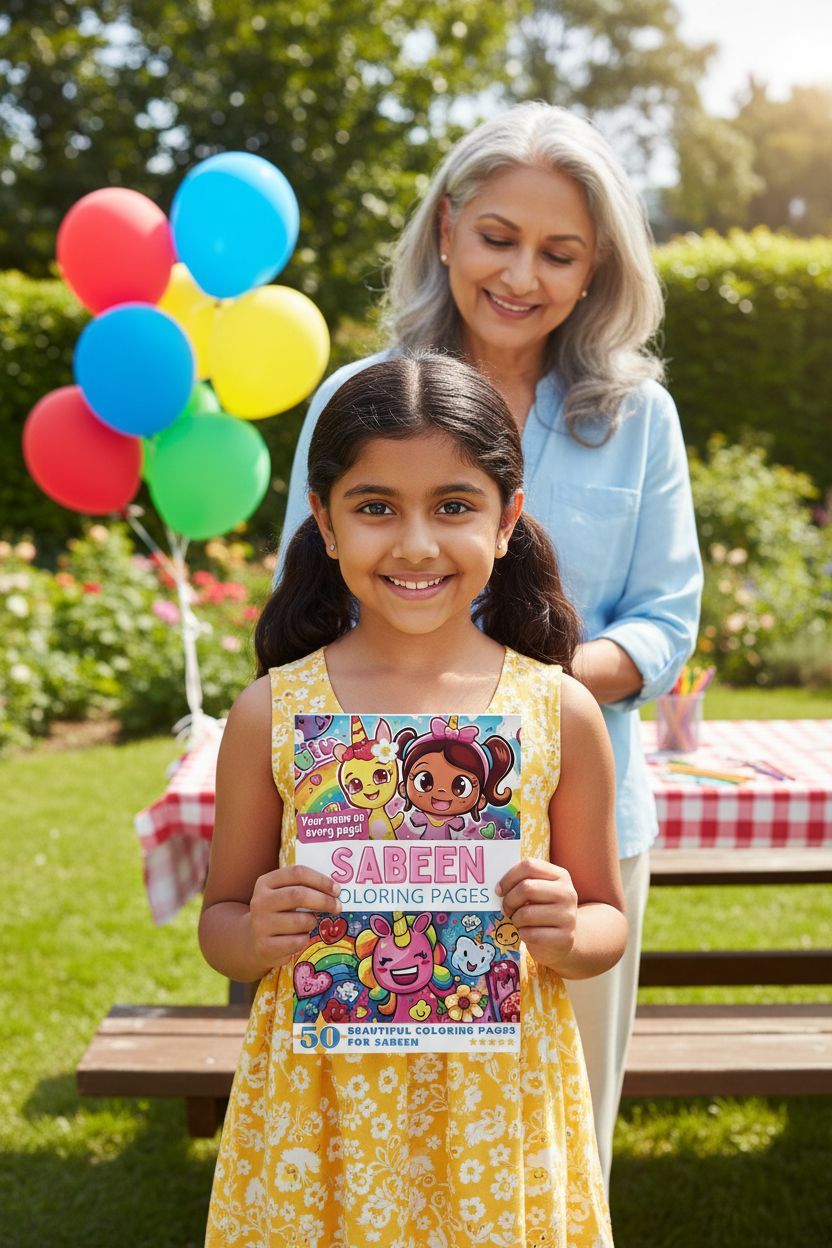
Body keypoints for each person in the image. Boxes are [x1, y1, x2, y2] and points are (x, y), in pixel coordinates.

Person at [277, 102, 703, 1185]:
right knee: (373, 1143)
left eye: (558, 253)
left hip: (574, 834)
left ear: (595, 265)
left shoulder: (637, 415)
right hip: (375, 826)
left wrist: (518, 699)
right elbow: (305, 604)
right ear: (448, 228)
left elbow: (663, 618)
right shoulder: (359, 398)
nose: (522, 275)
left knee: (553, 1147)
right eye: (498, 237)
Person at [201, 354, 627, 1248]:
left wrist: (566, 927)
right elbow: (222, 927)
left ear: (509, 520)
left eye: (455, 506)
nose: (417, 543)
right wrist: (254, 930)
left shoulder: (559, 710)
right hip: (322, 1116)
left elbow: (604, 926)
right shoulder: (273, 712)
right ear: (323, 520)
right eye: (375, 507)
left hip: (497, 1113)